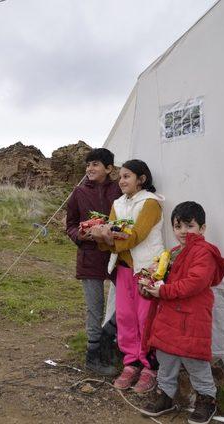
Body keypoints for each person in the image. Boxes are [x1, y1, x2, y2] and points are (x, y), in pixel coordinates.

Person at [139, 201, 224, 424]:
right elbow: (162, 281)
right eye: (178, 227)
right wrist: (149, 287)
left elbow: (194, 283)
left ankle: (207, 399)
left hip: (192, 318)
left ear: (202, 228)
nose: (183, 232)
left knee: (195, 361)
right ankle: (165, 396)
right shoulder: (173, 253)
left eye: (190, 226)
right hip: (169, 317)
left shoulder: (205, 252)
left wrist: (163, 291)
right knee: (165, 358)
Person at [90, 159, 164, 393]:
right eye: (120, 176)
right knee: (125, 317)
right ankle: (131, 363)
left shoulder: (151, 203)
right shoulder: (118, 203)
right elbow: (113, 237)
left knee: (145, 318)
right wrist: (101, 236)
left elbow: (136, 235)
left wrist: (108, 236)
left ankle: (150, 367)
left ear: (142, 179)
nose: (122, 181)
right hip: (123, 269)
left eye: (127, 176)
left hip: (145, 269)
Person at [65, 148, 122, 375]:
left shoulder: (119, 189)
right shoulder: (78, 193)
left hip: (119, 256)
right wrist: (80, 235)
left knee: (129, 301)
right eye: (88, 164)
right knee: (95, 308)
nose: (90, 168)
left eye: (95, 164)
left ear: (109, 169)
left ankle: (110, 336)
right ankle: (93, 356)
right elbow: (70, 225)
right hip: (89, 257)